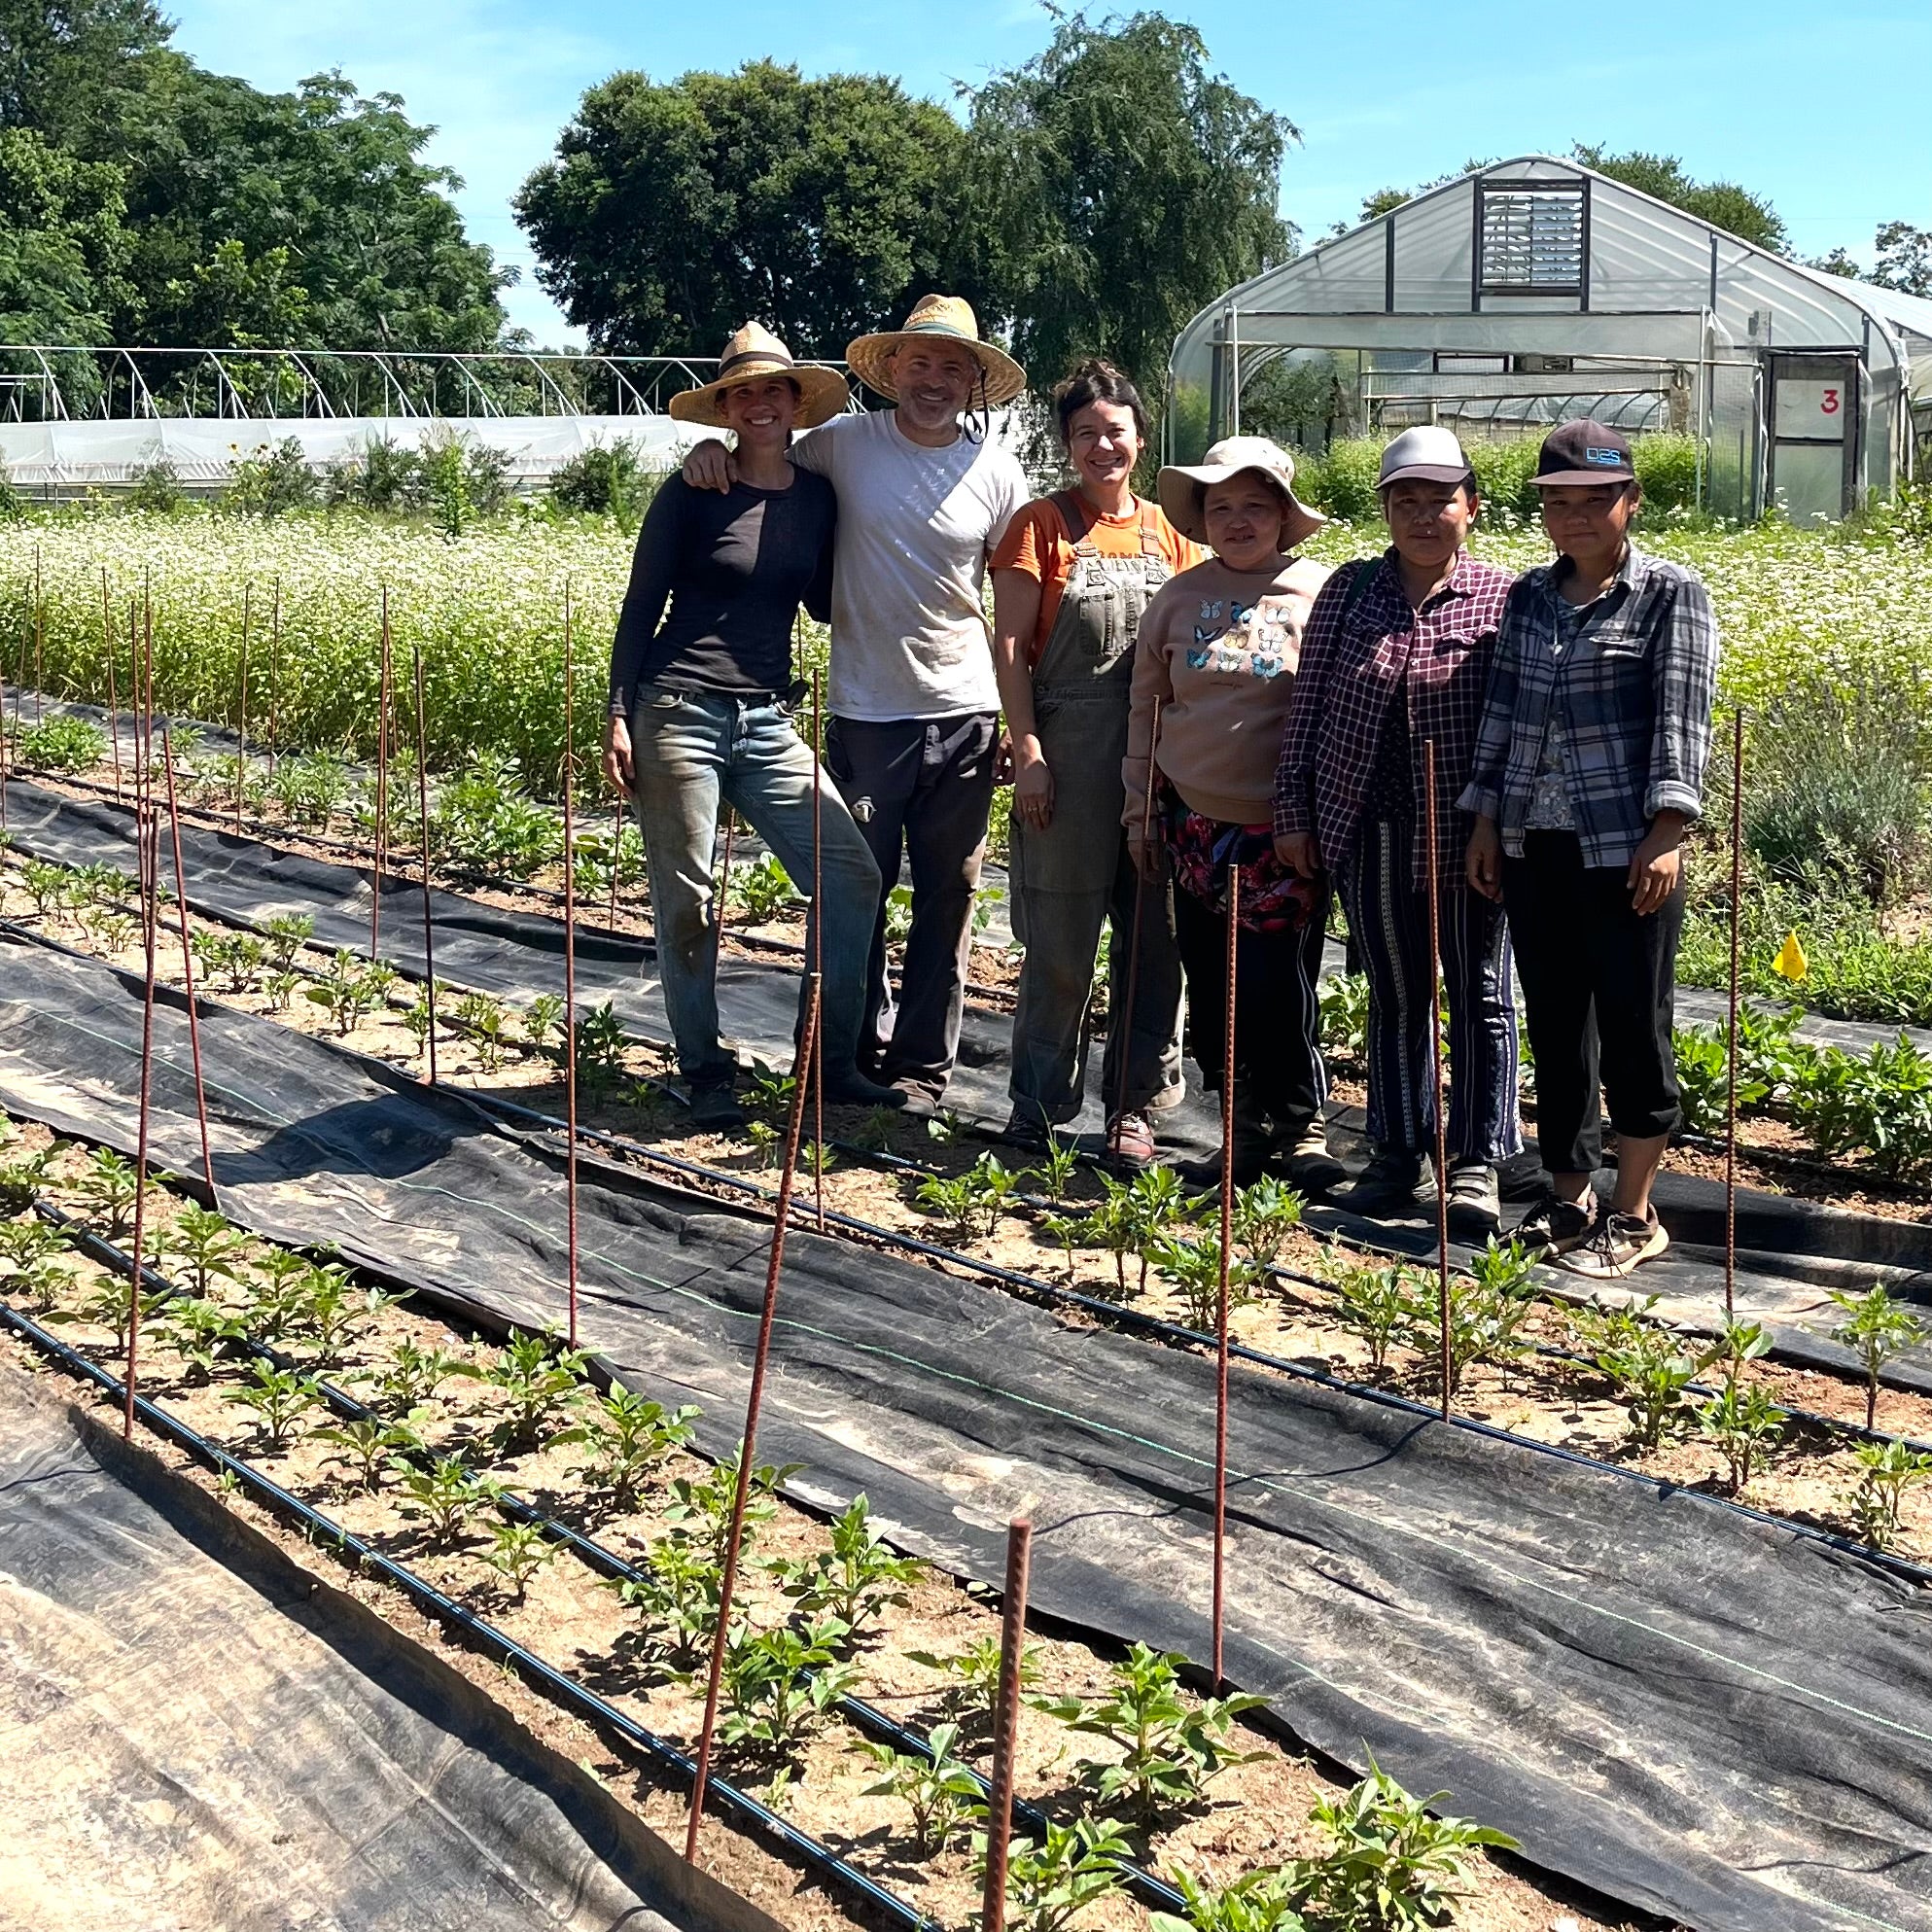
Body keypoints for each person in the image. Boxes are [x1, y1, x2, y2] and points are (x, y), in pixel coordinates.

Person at [683, 295, 1030, 1107]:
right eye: (919, 363)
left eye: (952, 368)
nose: (933, 380)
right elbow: (760, 456)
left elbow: (1019, 605)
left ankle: (921, 1066)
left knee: (951, 892)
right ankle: (846, 1047)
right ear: (892, 371)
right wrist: (709, 447)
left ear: (975, 382)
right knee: (854, 886)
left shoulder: (998, 470)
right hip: (869, 709)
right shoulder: (843, 445)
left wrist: (1021, 724)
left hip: (966, 708)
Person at [603, 323, 897, 1129]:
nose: (758, 403)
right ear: (725, 411)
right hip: (677, 709)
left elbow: (821, 601)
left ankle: (832, 1063)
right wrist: (617, 711)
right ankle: (703, 1067)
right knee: (688, 900)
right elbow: (641, 606)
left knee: (851, 875)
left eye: (772, 389)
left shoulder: (817, 497)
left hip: (767, 717)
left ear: (795, 402)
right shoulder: (691, 491)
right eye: (741, 393)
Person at [1461, 419, 1719, 1279]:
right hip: (1537, 845)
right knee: (1556, 1018)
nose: (1574, 518)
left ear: (1629, 502)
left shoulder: (1669, 595)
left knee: (1633, 1023)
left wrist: (1666, 832)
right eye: (1557, 503)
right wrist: (1487, 820)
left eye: (1593, 501)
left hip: (1624, 849)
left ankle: (1634, 1210)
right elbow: (1500, 717)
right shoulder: (1528, 598)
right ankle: (1568, 1194)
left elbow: (1682, 723)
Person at [1274, 427, 1521, 1237]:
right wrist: (1295, 812)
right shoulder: (1348, 591)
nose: (1423, 517)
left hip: (1467, 836)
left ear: (1471, 508)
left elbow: (1516, 725)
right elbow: (1306, 708)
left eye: (1439, 500)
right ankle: (1395, 1153)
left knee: (1479, 994)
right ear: (1383, 509)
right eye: (1404, 502)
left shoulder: (1502, 598)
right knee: (1395, 994)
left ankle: (1476, 1162)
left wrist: (1493, 819)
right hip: (1369, 828)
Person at [1124, 436, 1346, 1190]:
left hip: (1280, 832)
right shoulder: (1177, 598)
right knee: (1210, 982)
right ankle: (1240, 1127)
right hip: (1193, 826)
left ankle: (1300, 1127)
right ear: (1202, 519)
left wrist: (1315, 820)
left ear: (1284, 517)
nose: (1239, 520)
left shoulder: (1321, 593)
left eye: (1256, 507)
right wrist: (1138, 811)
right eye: (1222, 507)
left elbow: (1334, 722)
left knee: (1277, 983)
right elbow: (1145, 711)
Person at [990, 360, 1196, 1166]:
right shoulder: (1038, 526)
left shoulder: (1171, 535)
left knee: (1153, 943)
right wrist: (1028, 749)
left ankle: (1134, 1108)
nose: (1101, 446)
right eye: (1085, 434)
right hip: (1066, 760)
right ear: (1067, 444)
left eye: (1114, 431)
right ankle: (1037, 1104)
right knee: (1060, 941)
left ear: (1139, 439)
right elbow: (1009, 648)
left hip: (1154, 759)